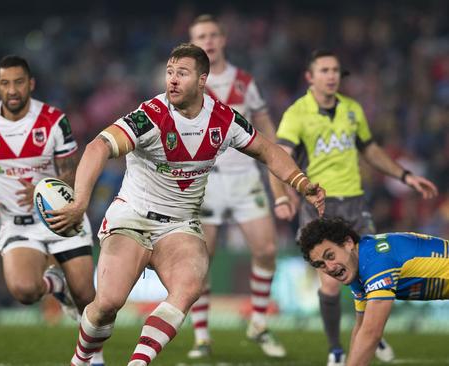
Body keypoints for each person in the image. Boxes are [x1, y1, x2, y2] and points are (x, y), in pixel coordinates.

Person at [47, 43, 325, 366]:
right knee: (108, 303)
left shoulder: (222, 120)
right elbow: (98, 147)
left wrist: (301, 183)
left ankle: (138, 363)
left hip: (180, 225)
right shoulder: (150, 116)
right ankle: (81, 360)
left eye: (182, 73)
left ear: (202, 80)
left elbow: (268, 150)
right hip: (133, 217)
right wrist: (81, 200)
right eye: (169, 73)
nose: (173, 80)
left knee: (189, 285)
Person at [275, 49, 439, 365]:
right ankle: (336, 350)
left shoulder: (352, 110)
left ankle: (369, 332)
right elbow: (279, 158)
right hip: (319, 202)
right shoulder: (297, 113)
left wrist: (404, 175)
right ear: (310, 77)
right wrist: (284, 195)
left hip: (354, 200)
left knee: (370, 266)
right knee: (331, 277)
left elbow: (371, 150)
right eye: (324, 70)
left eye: (336, 70)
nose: (332, 75)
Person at [0, 56, 104, 365]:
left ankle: (93, 357)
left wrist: (43, 188)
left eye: (19, 82)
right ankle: (55, 284)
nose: (12, 89)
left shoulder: (53, 120)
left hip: (62, 216)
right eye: (5, 83)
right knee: (24, 290)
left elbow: (71, 172)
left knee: (87, 296)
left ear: (30, 84)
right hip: (18, 223)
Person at [187, 14, 294, 359]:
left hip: (245, 177)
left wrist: (281, 180)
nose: (209, 40)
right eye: (201, 35)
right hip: (205, 182)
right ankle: (202, 337)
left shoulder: (244, 82)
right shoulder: (187, 83)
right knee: (201, 262)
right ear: (193, 42)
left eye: (213, 34)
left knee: (265, 250)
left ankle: (259, 324)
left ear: (223, 39)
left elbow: (267, 131)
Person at [299, 217, 449, 366]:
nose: (330, 267)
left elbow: (371, 333)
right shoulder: (359, 266)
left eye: (330, 256)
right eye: (321, 264)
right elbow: (361, 327)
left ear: (348, 243)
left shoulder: (375, 261)